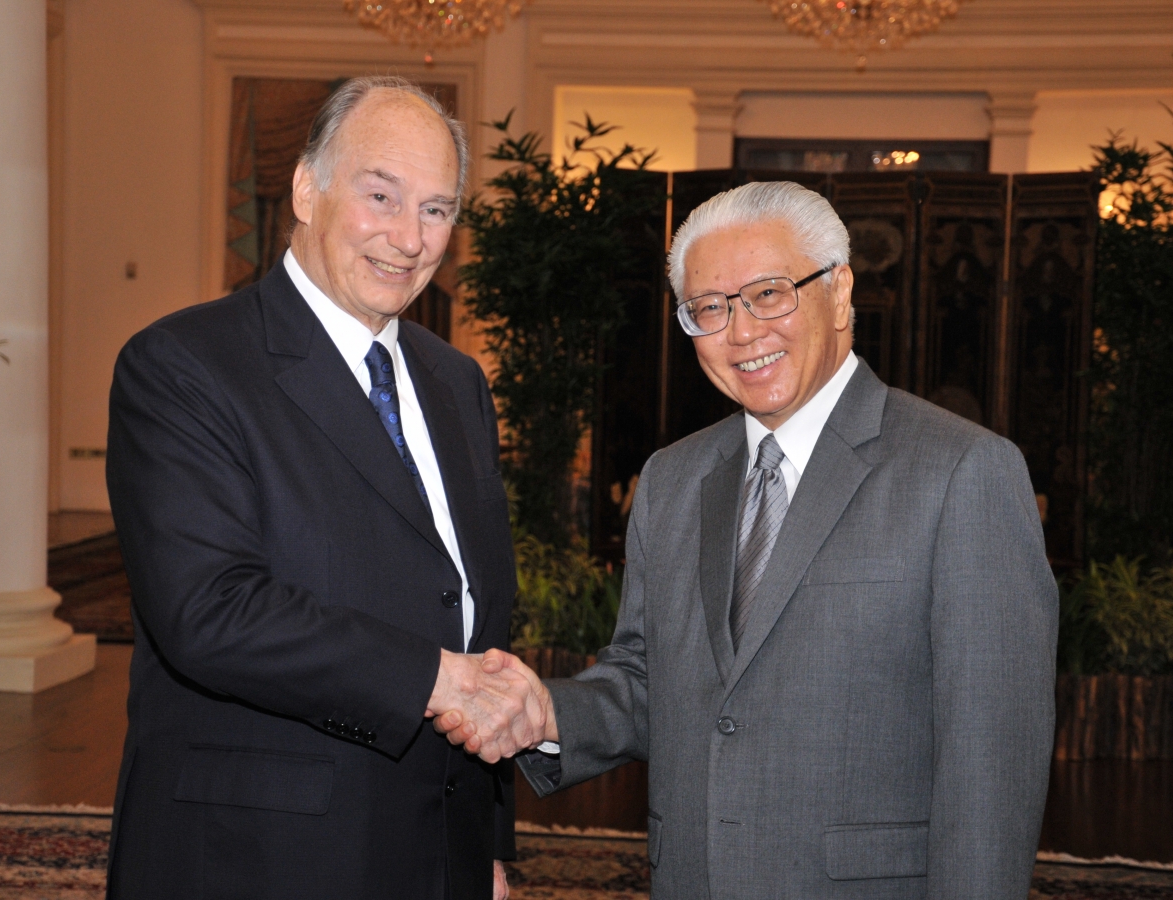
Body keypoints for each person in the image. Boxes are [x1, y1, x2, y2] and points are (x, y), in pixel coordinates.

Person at [441, 181, 1059, 899]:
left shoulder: (962, 471)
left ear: (840, 288)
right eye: (709, 308)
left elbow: (992, 765)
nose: (740, 332)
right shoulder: (673, 480)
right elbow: (650, 679)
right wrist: (544, 713)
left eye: (769, 293)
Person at [105, 76, 545, 900]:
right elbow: (211, 611)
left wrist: (480, 843)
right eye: (381, 195)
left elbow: (472, 609)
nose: (409, 238)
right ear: (307, 189)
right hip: (260, 854)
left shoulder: (457, 384)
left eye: (438, 210)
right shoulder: (185, 367)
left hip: (432, 850)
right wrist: (439, 679)